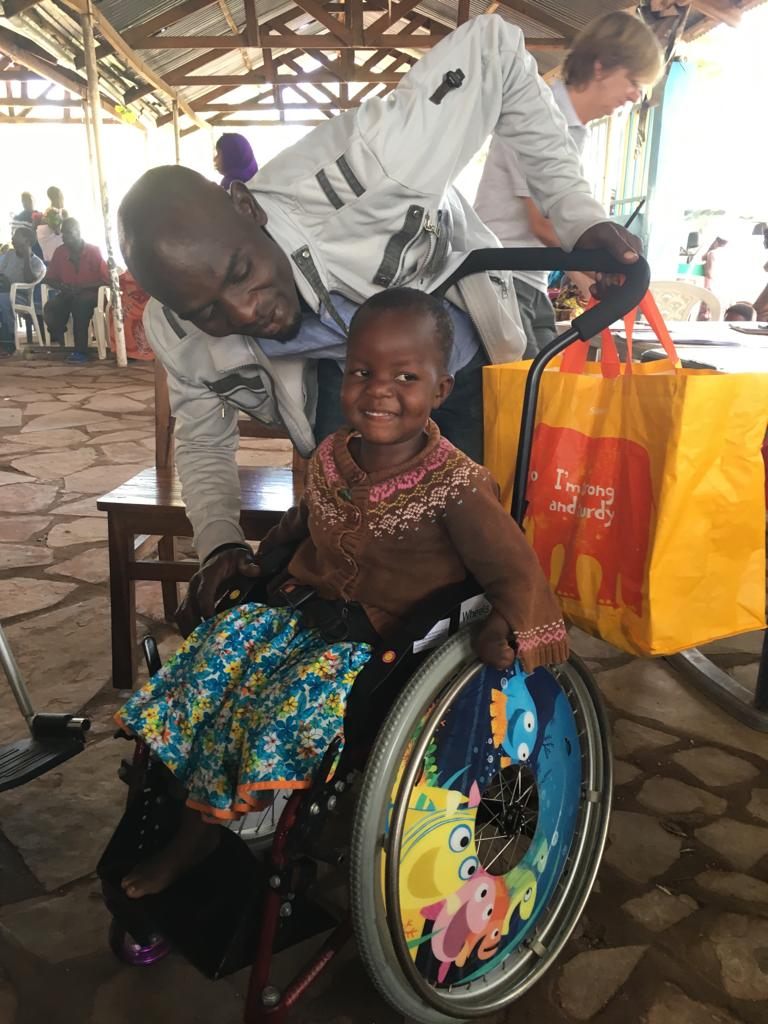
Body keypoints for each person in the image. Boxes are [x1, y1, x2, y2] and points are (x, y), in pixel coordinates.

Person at [118, 15, 645, 629]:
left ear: (245, 205)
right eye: (206, 310)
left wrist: (578, 219)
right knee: (361, 555)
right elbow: (204, 438)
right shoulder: (174, 331)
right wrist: (221, 544)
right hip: (332, 387)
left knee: (485, 532)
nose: (242, 312)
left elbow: (495, 49)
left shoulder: (368, 168)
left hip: (463, 354)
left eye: (239, 272)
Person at [115, 287, 569, 898]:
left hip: (374, 645)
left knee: (271, 706)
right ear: (344, 376)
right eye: (362, 372)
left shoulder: (456, 486)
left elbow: (515, 568)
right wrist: (257, 563)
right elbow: (301, 524)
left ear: (441, 391)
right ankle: (179, 785)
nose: (379, 389)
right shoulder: (332, 455)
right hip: (302, 612)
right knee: (212, 659)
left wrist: (506, 621)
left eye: (405, 375)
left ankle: (206, 832)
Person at [474, 11, 663, 355]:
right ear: (601, 66)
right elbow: (543, 223)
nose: (636, 96)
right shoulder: (538, 116)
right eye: (633, 80)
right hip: (499, 282)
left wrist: (593, 283)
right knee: (521, 395)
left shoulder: (572, 130)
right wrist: (603, 265)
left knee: (544, 391)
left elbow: (562, 233)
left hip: (527, 279)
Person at [43, 218, 109, 364]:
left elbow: (105, 280)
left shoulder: (93, 251)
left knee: (80, 305)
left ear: (78, 232)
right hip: (68, 293)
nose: (65, 237)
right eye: (63, 234)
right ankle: (60, 336)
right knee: (51, 307)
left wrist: (83, 287)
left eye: (69, 233)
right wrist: (63, 287)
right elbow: (49, 278)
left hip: (91, 294)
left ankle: (81, 352)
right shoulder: (60, 252)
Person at [0, 226, 45, 355]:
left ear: (27, 241)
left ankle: (8, 343)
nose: (12, 239)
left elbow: (29, 280)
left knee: (2, 300)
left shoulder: (37, 263)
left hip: (20, 296)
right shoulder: (9, 254)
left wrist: (26, 257)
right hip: (3, 289)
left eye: (16, 236)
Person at [36, 186, 68, 262]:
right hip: (54, 255)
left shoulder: (59, 212)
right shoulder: (51, 212)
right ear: (55, 197)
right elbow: (58, 231)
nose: (63, 199)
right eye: (61, 196)